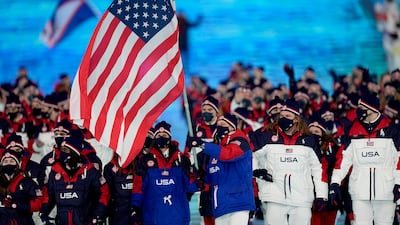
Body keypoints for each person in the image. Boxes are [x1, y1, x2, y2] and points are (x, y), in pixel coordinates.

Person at [251, 99, 328, 225]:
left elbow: (318, 169)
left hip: (301, 198)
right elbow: (250, 155)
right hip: (274, 197)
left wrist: (322, 195)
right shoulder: (266, 137)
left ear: (297, 119)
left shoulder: (309, 140)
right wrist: (256, 171)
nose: (283, 118)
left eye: (287, 116)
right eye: (281, 116)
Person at [329, 93, 400, 225]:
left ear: (372, 109)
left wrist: (398, 183)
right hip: (359, 194)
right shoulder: (351, 130)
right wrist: (335, 183)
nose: (358, 109)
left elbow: (399, 160)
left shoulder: (391, 130)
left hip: (386, 194)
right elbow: (343, 160)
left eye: (362, 106)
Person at [189, 113, 255, 225]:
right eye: (218, 124)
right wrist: (198, 182)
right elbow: (210, 177)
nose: (220, 127)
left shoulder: (241, 142)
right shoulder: (216, 149)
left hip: (239, 202)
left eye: (224, 124)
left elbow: (228, 154)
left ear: (232, 127)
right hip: (220, 205)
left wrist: (203, 145)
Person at [130, 121, 197, 225]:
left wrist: (193, 171)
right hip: (153, 217)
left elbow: (192, 186)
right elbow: (138, 187)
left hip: (178, 216)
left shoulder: (182, 159)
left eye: (165, 135)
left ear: (170, 137)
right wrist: (135, 206)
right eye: (159, 135)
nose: (162, 137)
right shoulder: (145, 161)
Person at [39, 136, 109, 225]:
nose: (62, 153)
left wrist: (98, 215)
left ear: (74, 152)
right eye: (61, 150)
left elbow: (104, 193)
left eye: (65, 150)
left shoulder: (90, 171)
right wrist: (44, 212)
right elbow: (50, 195)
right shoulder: (55, 171)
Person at [0, 149, 42, 225]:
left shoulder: (27, 181)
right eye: (5, 162)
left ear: (17, 164)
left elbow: (38, 203)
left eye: (11, 161)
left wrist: (18, 205)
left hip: (23, 221)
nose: (8, 164)